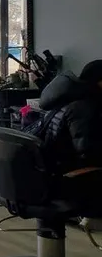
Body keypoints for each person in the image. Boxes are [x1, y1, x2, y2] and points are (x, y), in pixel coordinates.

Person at [31, 60, 102, 217]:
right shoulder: (84, 108)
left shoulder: (68, 100)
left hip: (50, 173)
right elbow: (88, 152)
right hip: (65, 178)